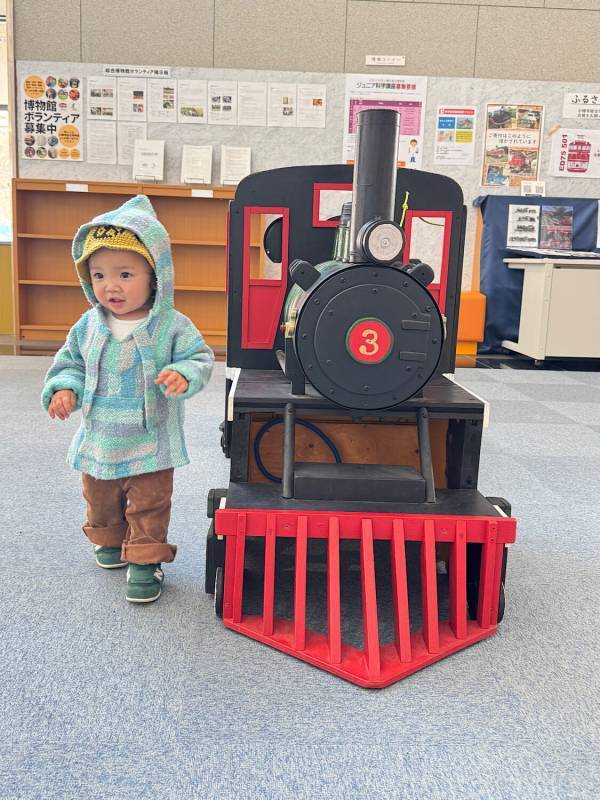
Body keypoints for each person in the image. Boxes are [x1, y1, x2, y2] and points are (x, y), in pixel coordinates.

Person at [41, 195, 214, 604]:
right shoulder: (87, 325)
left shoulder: (172, 325)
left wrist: (183, 373)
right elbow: (71, 363)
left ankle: (144, 560)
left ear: (155, 276)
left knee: (149, 504)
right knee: (99, 496)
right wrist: (65, 387)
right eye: (99, 275)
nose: (111, 286)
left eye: (125, 274)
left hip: (151, 439)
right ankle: (108, 536)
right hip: (100, 436)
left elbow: (199, 358)